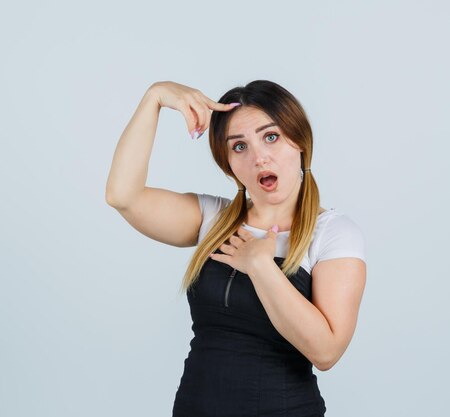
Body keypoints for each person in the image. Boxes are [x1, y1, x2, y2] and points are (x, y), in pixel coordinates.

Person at [105, 80, 366, 417]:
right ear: (228, 163)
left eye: (270, 136)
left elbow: (326, 352)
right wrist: (155, 96)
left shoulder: (333, 234)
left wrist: (261, 267)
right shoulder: (214, 218)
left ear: (299, 141)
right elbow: (122, 196)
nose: (258, 157)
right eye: (239, 146)